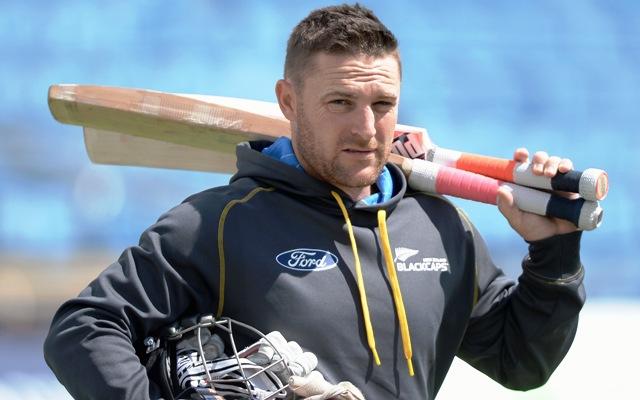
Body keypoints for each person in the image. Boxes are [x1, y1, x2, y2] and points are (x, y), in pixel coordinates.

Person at [44, 4, 586, 399]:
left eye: (382, 103)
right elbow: (83, 329)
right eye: (340, 102)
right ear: (288, 101)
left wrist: (554, 256)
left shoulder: (442, 227)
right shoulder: (218, 222)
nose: (366, 127)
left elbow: (522, 362)